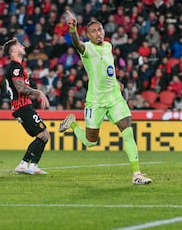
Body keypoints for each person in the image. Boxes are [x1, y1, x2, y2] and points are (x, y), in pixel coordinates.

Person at [59, 10, 152, 185]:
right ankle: (72, 123)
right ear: (88, 35)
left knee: (128, 132)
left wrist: (116, 81)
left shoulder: (108, 46)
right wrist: (73, 30)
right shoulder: (87, 48)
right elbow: (77, 44)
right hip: (95, 101)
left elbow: (107, 68)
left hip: (114, 97)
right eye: (94, 31)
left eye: (100, 29)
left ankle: (137, 174)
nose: (98, 33)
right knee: (90, 142)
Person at [2, 37, 50, 175]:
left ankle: (32, 166)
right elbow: (20, 87)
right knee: (43, 134)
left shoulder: (16, 66)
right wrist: (39, 92)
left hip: (22, 107)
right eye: (19, 45)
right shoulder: (15, 66)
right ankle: (23, 165)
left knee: (44, 134)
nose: (22, 46)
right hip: (22, 107)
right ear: (13, 50)